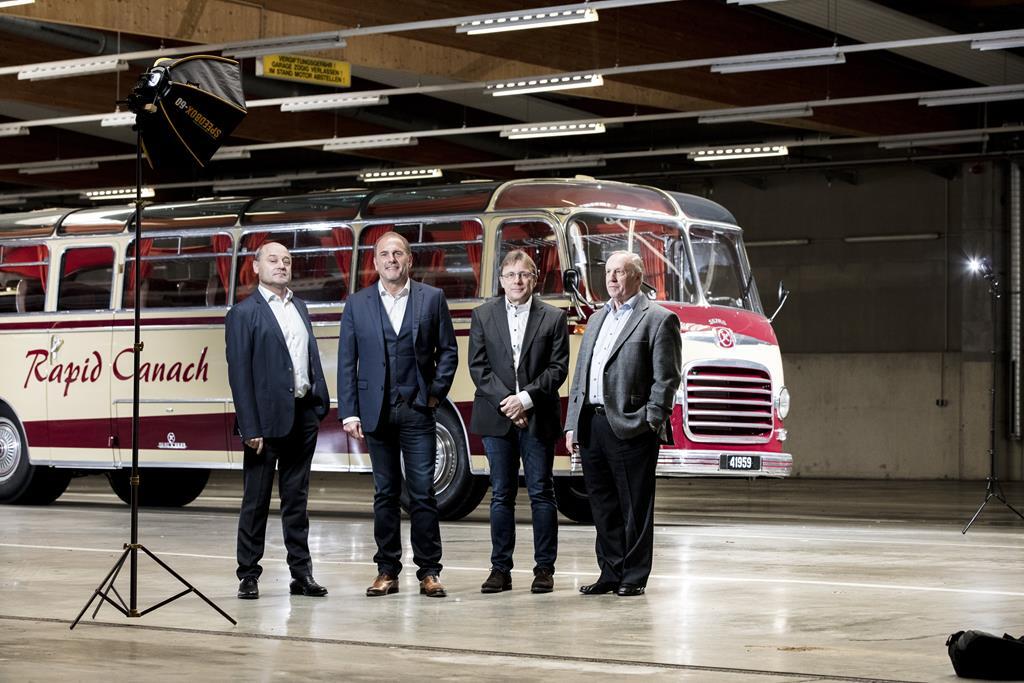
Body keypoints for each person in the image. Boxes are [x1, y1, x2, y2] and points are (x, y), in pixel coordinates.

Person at [337, 232, 458, 598]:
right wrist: (349, 412)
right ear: (375, 262)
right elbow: (347, 361)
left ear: (409, 260)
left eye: (398, 253)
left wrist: (434, 394)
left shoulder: (432, 298)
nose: (392, 259)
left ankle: (429, 571)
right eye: (385, 254)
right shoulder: (357, 304)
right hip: (376, 412)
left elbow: (448, 351)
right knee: (385, 493)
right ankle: (386, 570)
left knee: (422, 492)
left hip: (418, 410)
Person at [564, 251, 682, 597]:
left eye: (620, 272)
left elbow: (667, 378)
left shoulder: (658, 319)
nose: (612, 278)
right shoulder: (596, 319)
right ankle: (610, 572)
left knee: (635, 507)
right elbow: (581, 374)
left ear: (637, 277)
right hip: (593, 424)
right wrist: (572, 423)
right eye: (609, 272)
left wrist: (651, 419)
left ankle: (634, 576)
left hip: (632, 426)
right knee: (602, 505)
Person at [225, 241, 331, 600]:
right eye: (273, 260)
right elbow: (239, 375)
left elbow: (308, 357)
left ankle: (301, 574)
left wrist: (318, 406)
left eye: (286, 260)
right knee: (255, 501)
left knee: (296, 501)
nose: (281, 265)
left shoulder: (299, 307)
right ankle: (248, 574)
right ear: (256, 267)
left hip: (303, 415)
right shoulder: (243, 313)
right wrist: (249, 426)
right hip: (264, 423)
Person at [469, 250, 569, 594]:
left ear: (535, 278)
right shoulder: (482, 315)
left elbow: (558, 368)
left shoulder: (554, 317)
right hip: (496, 417)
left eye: (524, 274)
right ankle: (500, 569)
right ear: (501, 280)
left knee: (542, 492)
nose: (517, 280)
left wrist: (525, 399)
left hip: (538, 415)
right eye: (510, 275)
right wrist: (508, 403)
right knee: (501, 494)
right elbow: (478, 367)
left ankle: (544, 570)